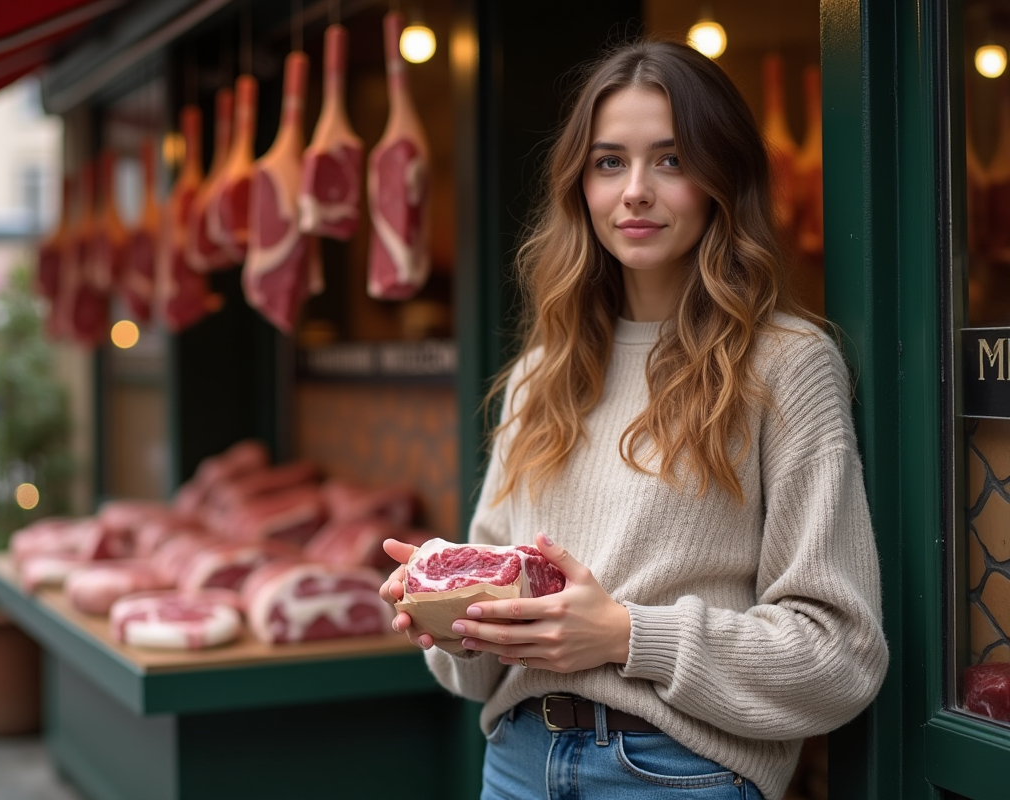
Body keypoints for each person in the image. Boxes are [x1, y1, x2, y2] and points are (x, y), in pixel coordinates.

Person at [380, 40, 888, 800]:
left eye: (673, 160)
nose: (636, 191)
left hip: (675, 774)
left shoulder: (785, 364)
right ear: (579, 185)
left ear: (723, 179)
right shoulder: (538, 377)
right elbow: (474, 670)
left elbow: (839, 655)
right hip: (516, 762)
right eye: (610, 162)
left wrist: (626, 634)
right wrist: (444, 619)